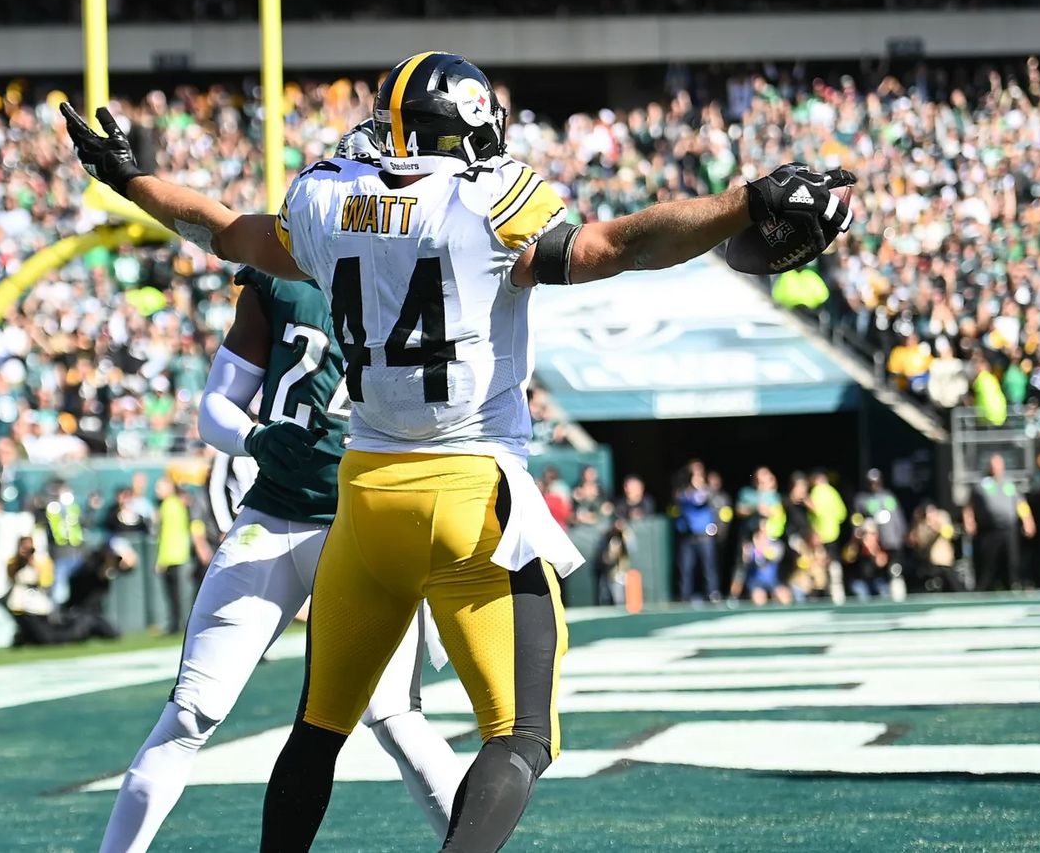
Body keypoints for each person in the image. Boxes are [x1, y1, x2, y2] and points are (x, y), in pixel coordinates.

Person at [64, 51, 853, 851]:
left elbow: (224, 230)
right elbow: (619, 245)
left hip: (366, 498)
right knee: (520, 736)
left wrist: (130, 180)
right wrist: (744, 202)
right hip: (471, 495)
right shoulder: (491, 202)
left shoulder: (328, 199)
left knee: (318, 727)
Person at [93, 124, 461, 852]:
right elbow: (215, 409)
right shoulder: (288, 276)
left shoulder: (416, 275)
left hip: (363, 526)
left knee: (394, 719)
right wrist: (257, 438)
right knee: (193, 713)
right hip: (276, 516)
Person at [963, 454, 1036, 591]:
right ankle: (983, 591)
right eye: (993, 465)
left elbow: (1021, 504)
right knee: (987, 565)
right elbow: (969, 506)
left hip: (1008, 530)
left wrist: (1028, 521)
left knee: (1011, 562)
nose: (996, 468)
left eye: (998, 465)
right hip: (989, 530)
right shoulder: (981, 485)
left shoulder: (1009, 484)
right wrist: (969, 521)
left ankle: (1012, 587)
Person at [153, 477, 201, 636]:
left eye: (160, 487)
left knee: (175, 594)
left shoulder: (168, 505)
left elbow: (166, 535)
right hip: (179, 554)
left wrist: (161, 560)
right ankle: (178, 624)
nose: (157, 490)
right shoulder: (177, 504)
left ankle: (176, 624)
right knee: (178, 594)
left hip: (173, 555)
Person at [673, 460, 720, 603]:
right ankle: (684, 596)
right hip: (688, 537)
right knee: (685, 569)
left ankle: (712, 594)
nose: (697, 476)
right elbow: (685, 500)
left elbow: (704, 500)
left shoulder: (707, 491)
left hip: (704, 537)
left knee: (708, 568)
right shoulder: (682, 493)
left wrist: (702, 486)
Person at [852, 469, 907, 566]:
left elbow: (897, 517)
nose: (874, 485)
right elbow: (856, 520)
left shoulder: (888, 496)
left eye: (876, 482)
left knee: (894, 567)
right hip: (872, 543)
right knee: (870, 568)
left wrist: (902, 533)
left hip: (890, 540)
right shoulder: (861, 499)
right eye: (871, 483)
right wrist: (859, 534)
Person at [733, 514, 790, 607]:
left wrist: (762, 549)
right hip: (755, 583)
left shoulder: (776, 544)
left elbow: (775, 556)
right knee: (758, 598)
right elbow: (746, 562)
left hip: (773, 581)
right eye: (762, 527)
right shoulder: (749, 546)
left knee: (784, 596)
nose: (764, 530)